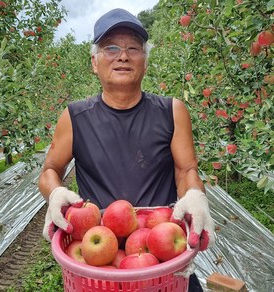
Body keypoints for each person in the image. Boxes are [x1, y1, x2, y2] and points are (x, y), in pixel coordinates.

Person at [38, 8, 215, 291]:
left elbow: (186, 170)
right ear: (94, 62)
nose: (123, 55)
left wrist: (195, 196)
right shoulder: (74, 118)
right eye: (111, 48)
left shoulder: (171, 111)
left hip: (161, 255)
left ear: (145, 62)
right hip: (99, 263)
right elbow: (50, 170)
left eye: (133, 48)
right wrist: (55, 192)